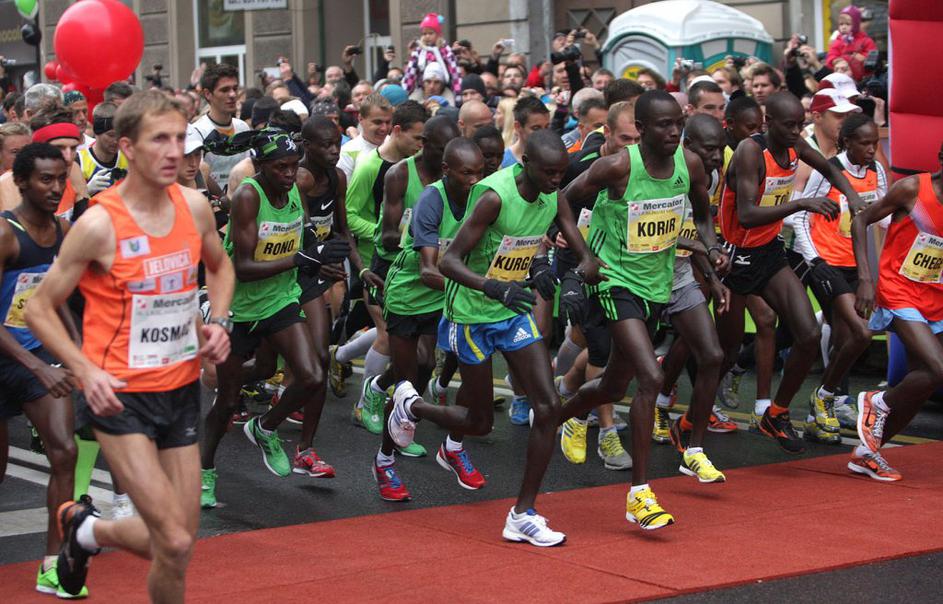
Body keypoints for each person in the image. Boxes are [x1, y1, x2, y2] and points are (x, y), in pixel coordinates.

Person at [24, 91, 234, 602]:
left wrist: (219, 319)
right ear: (128, 148)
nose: (174, 152)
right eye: (159, 140)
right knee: (173, 539)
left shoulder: (194, 207)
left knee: (179, 546)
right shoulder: (99, 224)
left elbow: (220, 265)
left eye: (180, 139)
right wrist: (84, 370)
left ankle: (86, 530)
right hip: (121, 395)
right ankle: (88, 530)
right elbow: (40, 308)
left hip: (180, 389)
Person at [386, 129, 603, 545]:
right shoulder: (493, 197)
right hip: (471, 316)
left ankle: (523, 514)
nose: (557, 180)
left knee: (548, 407)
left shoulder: (554, 196)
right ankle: (412, 406)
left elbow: (581, 255)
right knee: (479, 422)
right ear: (526, 165)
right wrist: (493, 287)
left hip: (511, 311)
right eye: (549, 173)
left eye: (562, 173)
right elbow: (448, 262)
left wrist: (570, 276)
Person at [558, 90, 727, 529]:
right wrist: (583, 256)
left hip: (658, 280)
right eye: (664, 125)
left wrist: (711, 247)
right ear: (644, 128)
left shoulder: (690, 165)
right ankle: (639, 494)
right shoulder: (617, 166)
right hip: (615, 281)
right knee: (650, 376)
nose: (674, 132)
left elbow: (702, 216)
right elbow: (561, 200)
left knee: (614, 385)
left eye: (678, 124)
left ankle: (563, 414)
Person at [200, 129, 350, 506]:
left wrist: (321, 259)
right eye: (280, 167)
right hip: (239, 307)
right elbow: (244, 267)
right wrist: (301, 259)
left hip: (280, 300)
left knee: (312, 373)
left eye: (293, 166)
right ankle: (204, 470)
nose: (289, 173)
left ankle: (265, 427)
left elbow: (300, 240)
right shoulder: (248, 196)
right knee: (227, 400)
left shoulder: (294, 190)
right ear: (260, 165)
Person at [716, 92, 863, 454]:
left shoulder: (795, 143)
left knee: (808, 333)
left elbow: (831, 167)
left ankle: (776, 413)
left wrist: (852, 196)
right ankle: (673, 402)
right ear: (769, 123)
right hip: (736, 255)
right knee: (725, 351)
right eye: (789, 125)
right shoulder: (751, 152)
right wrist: (800, 203)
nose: (797, 131)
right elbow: (747, 214)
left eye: (800, 124)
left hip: (768, 252)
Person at [372, 138, 484, 499]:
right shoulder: (430, 200)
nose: (474, 180)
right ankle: (385, 460)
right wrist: (485, 287)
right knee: (409, 384)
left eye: (479, 172)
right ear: (447, 170)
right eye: (466, 173)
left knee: (473, 370)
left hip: (449, 297)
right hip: (411, 293)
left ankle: (453, 447)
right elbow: (427, 271)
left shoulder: (483, 197)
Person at [0, 143, 80, 597]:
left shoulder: (63, 230)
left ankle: (55, 563)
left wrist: (74, 349)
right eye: (45, 179)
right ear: (21, 182)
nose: (55, 188)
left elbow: (56, 293)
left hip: (33, 355)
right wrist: (40, 366)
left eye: (60, 179)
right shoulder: (5, 234)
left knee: (65, 452)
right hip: (8, 356)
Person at [850, 141, 943, 482]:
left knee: (924, 382)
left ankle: (867, 453)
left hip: (935, 296)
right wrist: (865, 278)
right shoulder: (912, 188)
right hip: (898, 289)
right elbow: (861, 221)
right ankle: (877, 401)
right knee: (937, 369)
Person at [793, 114, 886, 441]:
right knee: (861, 333)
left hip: (855, 265)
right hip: (826, 263)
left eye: (875, 143)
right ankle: (825, 396)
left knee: (844, 338)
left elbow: (883, 217)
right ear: (847, 142)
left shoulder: (876, 171)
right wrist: (814, 259)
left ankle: (816, 417)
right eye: (865, 143)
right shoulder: (830, 169)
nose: (872, 149)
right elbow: (800, 217)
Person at [348, 108, 440, 439]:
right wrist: (420, 237)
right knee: (391, 340)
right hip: (388, 266)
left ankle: (349, 362)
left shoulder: (450, 177)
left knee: (424, 361)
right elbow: (353, 217)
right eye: (417, 138)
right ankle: (366, 404)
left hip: (427, 268)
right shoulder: (382, 169)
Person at [193, 63, 251, 188]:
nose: (232, 95)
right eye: (225, 90)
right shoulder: (197, 131)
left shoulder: (243, 127)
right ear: (208, 94)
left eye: (235, 88)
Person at [402, 13, 462, 97]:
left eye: (430, 33)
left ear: (438, 34)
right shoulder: (419, 52)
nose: (427, 36)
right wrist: (405, 92)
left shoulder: (445, 50)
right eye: (424, 34)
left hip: (443, 91)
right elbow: (410, 73)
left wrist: (458, 95)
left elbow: (455, 74)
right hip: (423, 91)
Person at [78, 102, 129, 197]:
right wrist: (87, 190)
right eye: (111, 135)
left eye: (119, 135)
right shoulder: (79, 161)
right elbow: (68, 203)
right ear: (97, 132)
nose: (116, 141)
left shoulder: (128, 157)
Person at [338, 93, 393, 179]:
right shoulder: (348, 152)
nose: (384, 128)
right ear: (360, 119)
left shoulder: (397, 147)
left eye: (388, 122)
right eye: (377, 122)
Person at [826, 5, 877, 82]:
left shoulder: (866, 40)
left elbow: (872, 59)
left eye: (848, 24)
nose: (844, 27)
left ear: (856, 24)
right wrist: (837, 60)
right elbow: (831, 56)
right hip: (841, 77)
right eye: (841, 24)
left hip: (862, 80)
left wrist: (863, 58)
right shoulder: (838, 41)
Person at [501, 96, 550, 168]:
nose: (544, 133)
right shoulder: (503, 162)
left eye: (546, 127)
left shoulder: (552, 158)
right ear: (518, 127)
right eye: (536, 128)